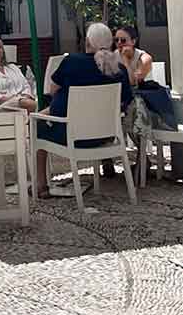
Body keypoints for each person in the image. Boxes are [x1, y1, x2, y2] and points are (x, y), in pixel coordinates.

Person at [35, 22, 131, 196]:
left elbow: (52, 91)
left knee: (37, 125)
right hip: (106, 136)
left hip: (72, 135)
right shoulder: (120, 69)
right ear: (110, 43)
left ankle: (40, 185)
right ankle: (106, 160)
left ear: (87, 42)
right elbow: (125, 101)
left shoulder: (71, 62)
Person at [115, 23, 179, 133]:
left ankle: (140, 141)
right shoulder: (114, 56)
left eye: (123, 40)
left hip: (141, 102)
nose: (119, 44)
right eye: (117, 40)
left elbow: (132, 82)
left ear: (133, 42)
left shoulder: (144, 58)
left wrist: (125, 61)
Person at [0, 37, 37, 114]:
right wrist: (15, 100)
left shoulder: (13, 67)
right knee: (31, 105)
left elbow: (26, 85)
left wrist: (23, 98)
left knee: (30, 103)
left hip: (22, 102)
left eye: (0, 47)